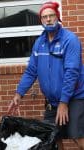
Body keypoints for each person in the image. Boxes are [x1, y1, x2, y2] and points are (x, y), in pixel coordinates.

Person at [7, 1, 84, 150]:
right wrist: (19, 93)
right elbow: (31, 71)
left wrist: (64, 102)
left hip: (74, 98)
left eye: (51, 15)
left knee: (78, 137)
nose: (48, 19)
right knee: (52, 138)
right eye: (44, 17)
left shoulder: (70, 40)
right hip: (52, 101)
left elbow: (72, 72)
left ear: (58, 17)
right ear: (41, 20)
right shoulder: (39, 43)